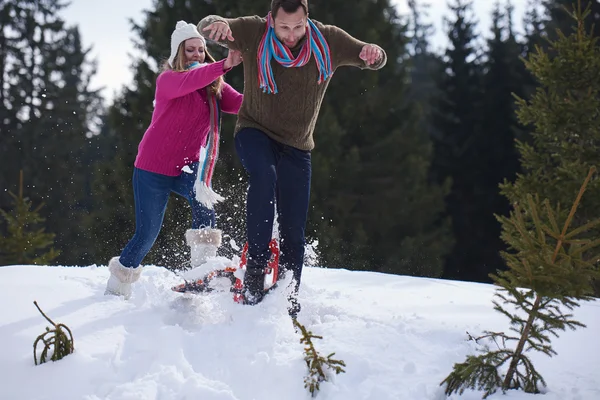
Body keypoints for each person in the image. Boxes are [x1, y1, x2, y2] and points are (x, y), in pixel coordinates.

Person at [196, 0, 387, 314]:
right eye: (283, 27)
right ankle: (255, 273)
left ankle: (288, 291)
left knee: (294, 226)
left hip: (298, 146)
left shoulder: (329, 40)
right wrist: (215, 25)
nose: (291, 34)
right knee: (264, 176)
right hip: (254, 131)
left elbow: (371, 56)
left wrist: (374, 54)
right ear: (272, 19)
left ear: (307, 19)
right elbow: (210, 25)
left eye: (298, 26)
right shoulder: (255, 30)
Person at [104, 21, 244, 299]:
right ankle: (117, 288)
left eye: (201, 50)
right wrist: (225, 64)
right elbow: (190, 80)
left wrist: (270, 99)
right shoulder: (168, 80)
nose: (197, 55)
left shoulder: (213, 84)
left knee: (203, 201)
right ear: (178, 53)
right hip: (152, 169)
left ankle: (201, 268)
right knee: (147, 234)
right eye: (190, 50)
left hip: (186, 167)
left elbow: (241, 103)